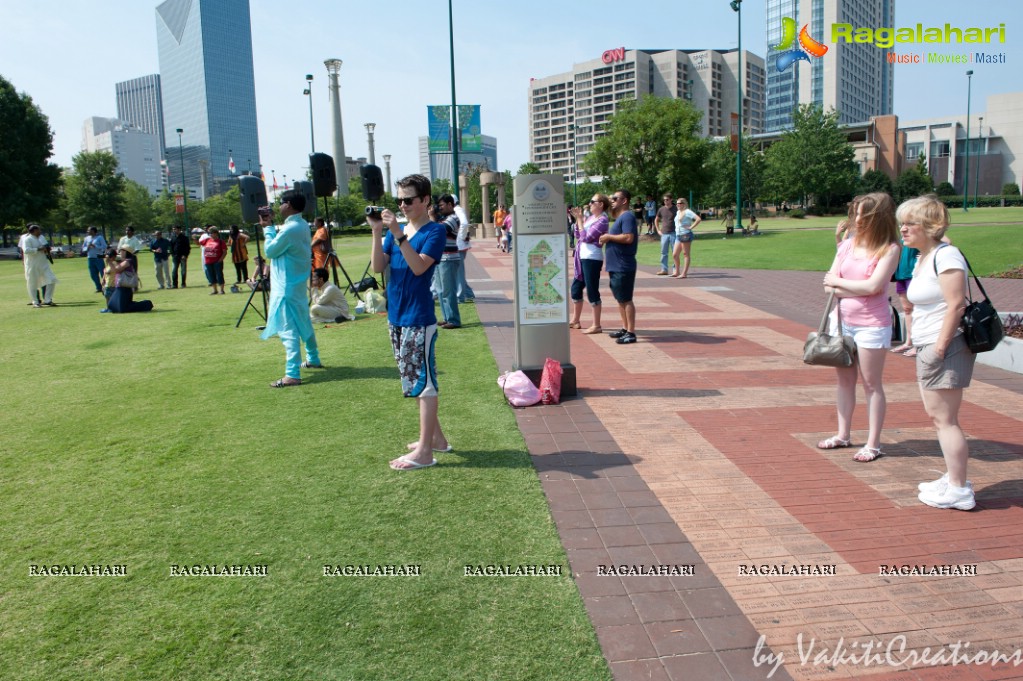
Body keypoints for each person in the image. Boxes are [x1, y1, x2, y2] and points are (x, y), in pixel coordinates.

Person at [900, 195, 976, 510]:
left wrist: (941, 346)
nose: (902, 229)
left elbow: (956, 304)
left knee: (944, 420)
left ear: (929, 226)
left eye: (910, 223)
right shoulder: (924, 256)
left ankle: (959, 489)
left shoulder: (946, 256)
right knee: (939, 417)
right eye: (901, 223)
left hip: (944, 346)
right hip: (930, 345)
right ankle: (953, 477)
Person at [368, 174, 448, 471]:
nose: (403, 205)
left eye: (409, 200)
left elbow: (418, 268)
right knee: (413, 380)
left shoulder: (435, 232)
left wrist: (397, 234)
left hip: (419, 317)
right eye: (399, 199)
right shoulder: (394, 232)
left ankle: (425, 451)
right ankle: (436, 439)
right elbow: (378, 267)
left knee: (424, 383)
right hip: (397, 316)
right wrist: (378, 232)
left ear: (425, 200)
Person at [818, 192, 900, 463]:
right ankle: (843, 434)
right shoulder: (848, 245)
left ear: (880, 217)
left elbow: (874, 287)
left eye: (866, 214)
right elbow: (829, 283)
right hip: (841, 322)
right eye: (856, 212)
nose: (858, 219)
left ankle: (873, 443)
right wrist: (847, 288)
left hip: (871, 325)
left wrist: (842, 287)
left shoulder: (889, 248)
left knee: (871, 383)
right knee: (844, 381)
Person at [258, 190, 322, 388]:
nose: (278, 206)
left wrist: (268, 229)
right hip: (295, 284)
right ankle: (313, 358)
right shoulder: (300, 225)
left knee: (288, 330)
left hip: (285, 287)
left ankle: (292, 374)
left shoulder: (290, 229)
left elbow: (270, 251)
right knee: (303, 324)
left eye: (282, 202)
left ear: (290, 205)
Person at [599, 189, 639, 345]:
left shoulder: (628, 216)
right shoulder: (620, 217)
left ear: (625, 201)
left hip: (623, 265)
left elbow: (628, 238)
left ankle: (631, 332)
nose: (612, 200)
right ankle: (625, 328)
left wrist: (609, 237)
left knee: (626, 299)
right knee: (620, 299)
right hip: (616, 265)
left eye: (615, 198)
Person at [568, 193, 610, 333]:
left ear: (601, 204)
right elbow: (578, 236)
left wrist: (580, 221)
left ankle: (596, 325)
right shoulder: (591, 218)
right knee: (575, 288)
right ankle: (575, 320)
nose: (590, 204)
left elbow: (587, 237)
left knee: (592, 289)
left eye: (593, 201)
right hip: (582, 256)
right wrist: (577, 222)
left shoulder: (603, 220)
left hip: (592, 258)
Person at [434, 194, 463, 329]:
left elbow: (439, 231)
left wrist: (432, 217)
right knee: (440, 291)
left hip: (449, 258)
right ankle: (447, 318)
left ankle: (454, 320)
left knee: (448, 290)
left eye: (442, 205)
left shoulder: (454, 218)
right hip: (441, 258)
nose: (439, 208)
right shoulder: (443, 219)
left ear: (450, 205)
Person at [106, 248, 154, 313]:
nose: (120, 252)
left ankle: (147, 304)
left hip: (125, 287)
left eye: (122, 251)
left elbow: (116, 270)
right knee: (112, 305)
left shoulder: (127, 261)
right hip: (120, 286)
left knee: (122, 308)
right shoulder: (123, 261)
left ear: (126, 252)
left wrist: (110, 262)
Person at [21, 224, 58, 307]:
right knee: (32, 283)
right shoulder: (27, 239)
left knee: (51, 280)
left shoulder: (40, 238)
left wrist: (46, 249)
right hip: (32, 265)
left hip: (43, 264)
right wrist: (38, 249)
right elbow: (26, 250)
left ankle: (48, 300)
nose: (40, 231)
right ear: (34, 231)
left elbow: (45, 247)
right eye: (38, 230)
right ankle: (35, 302)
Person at [671, 198, 702, 278]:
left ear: (684, 204)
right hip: (678, 235)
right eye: (677, 203)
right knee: (675, 254)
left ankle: (684, 273)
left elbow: (698, 219)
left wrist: (690, 227)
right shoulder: (678, 212)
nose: (678, 204)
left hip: (686, 234)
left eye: (680, 203)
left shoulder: (687, 212)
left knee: (685, 254)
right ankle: (677, 272)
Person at [453, 197, 475, 304]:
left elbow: (464, 223)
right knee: (458, 272)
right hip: (459, 245)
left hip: (459, 246)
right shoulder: (457, 210)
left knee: (459, 272)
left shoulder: (457, 210)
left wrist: (460, 237)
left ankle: (460, 296)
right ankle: (468, 293)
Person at [654, 194, 676, 275]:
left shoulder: (676, 208)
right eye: (664, 200)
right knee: (664, 253)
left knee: (675, 252)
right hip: (664, 234)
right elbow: (656, 220)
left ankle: (675, 270)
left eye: (667, 200)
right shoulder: (661, 209)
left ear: (671, 200)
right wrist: (658, 230)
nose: (665, 201)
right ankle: (664, 269)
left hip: (674, 233)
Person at [202, 225, 227, 295]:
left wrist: (220, 260)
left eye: (211, 233)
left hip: (217, 261)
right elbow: (199, 243)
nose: (210, 234)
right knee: (211, 275)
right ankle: (214, 290)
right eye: (210, 233)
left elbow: (225, 252)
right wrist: (195, 238)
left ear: (216, 233)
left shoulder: (220, 241)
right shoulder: (207, 240)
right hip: (208, 261)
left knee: (219, 275)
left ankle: (221, 290)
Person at [83, 227, 107, 293]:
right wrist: (87, 248)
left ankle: (106, 287)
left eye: (89, 230)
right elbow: (83, 248)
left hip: (98, 258)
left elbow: (104, 246)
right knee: (93, 274)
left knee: (103, 273)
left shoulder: (99, 238)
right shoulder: (86, 238)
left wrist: (95, 246)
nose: (87, 231)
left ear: (93, 231)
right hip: (90, 258)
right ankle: (98, 287)